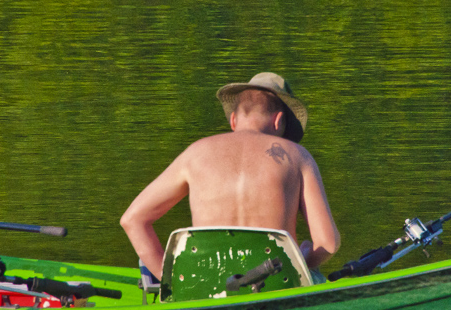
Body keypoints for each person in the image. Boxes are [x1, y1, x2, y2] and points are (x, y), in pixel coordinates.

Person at [120, 72, 341, 282]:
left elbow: (132, 220)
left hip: (204, 288)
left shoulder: (195, 154)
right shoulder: (297, 156)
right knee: (313, 268)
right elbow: (328, 243)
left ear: (233, 119)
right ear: (278, 120)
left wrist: (170, 281)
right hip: (276, 286)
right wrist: (302, 259)